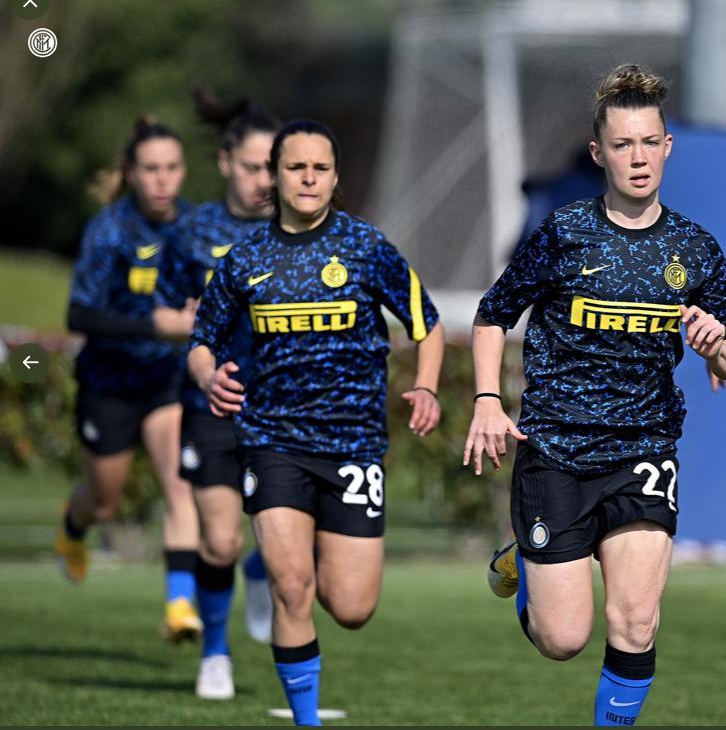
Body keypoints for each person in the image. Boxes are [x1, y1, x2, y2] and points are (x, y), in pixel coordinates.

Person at [467, 63, 726, 728]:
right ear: (599, 152)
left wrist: (717, 346)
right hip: (557, 450)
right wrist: (487, 399)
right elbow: (492, 314)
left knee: (637, 620)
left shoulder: (694, 247)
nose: (638, 157)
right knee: (563, 638)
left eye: (649, 142)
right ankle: (525, 564)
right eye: (623, 144)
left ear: (668, 146)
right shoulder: (565, 232)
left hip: (644, 450)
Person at [188, 120, 445, 726]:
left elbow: (426, 324)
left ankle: (309, 556)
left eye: (320, 168)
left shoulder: (365, 246)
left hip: (354, 446)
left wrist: (427, 385)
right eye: (295, 167)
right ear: (274, 176)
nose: (308, 178)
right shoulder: (246, 257)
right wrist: (207, 377)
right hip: (271, 440)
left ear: (335, 177)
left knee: (351, 607)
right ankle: (305, 719)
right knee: (291, 587)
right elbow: (202, 340)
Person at [56, 116, 205, 644]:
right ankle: (73, 523)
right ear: (132, 173)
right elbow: (79, 314)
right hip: (110, 382)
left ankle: (179, 606)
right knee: (106, 502)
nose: (163, 179)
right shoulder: (110, 229)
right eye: (151, 169)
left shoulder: (195, 227)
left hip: (167, 379)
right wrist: (155, 326)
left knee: (180, 485)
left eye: (172, 168)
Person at [153, 88, 280, 699]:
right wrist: (185, 322)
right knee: (221, 540)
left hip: (288, 406)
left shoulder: (301, 231)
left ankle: (261, 569)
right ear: (226, 162)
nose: (264, 180)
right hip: (213, 402)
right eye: (253, 166)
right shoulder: (192, 232)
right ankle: (215, 655)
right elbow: (161, 311)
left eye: (273, 167)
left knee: (288, 542)